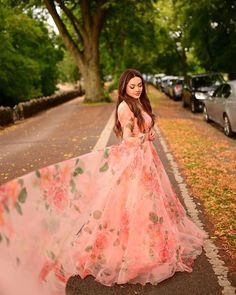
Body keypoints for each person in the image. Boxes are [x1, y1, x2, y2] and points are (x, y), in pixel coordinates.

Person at [0, 69, 206, 295]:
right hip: (135, 163)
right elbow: (127, 139)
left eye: (139, 85)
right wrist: (142, 137)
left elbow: (143, 130)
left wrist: (149, 135)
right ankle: (134, 252)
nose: (137, 89)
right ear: (124, 88)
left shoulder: (140, 103)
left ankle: (153, 244)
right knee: (135, 205)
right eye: (133, 86)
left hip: (148, 159)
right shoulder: (124, 107)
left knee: (152, 204)